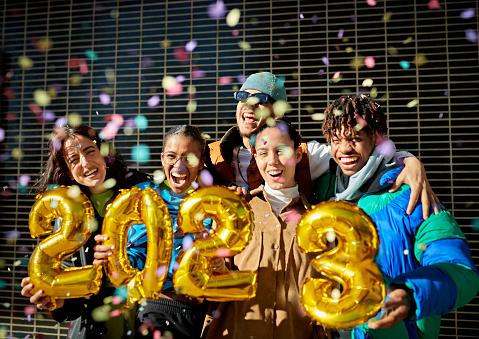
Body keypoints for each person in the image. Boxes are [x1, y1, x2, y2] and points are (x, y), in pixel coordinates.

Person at [315, 95, 479, 338]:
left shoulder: (412, 196)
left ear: (376, 138)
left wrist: (410, 292)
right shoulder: (321, 190)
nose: (344, 149)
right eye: (336, 140)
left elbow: (460, 270)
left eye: (355, 139)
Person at [207, 71, 441, 219]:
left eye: (260, 101)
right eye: (242, 97)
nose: (249, 105)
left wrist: (408, 160)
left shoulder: (306, 155)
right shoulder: (211, 155)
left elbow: (357, 149)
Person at [20, 124, 151, 338]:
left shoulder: (142, 188)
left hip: (147, 319)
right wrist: (56, 299)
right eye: (73, 159)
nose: (85, 162)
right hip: (94, 328)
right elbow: (75, 301)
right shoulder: (66, 215)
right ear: (69, 172)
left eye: (90, 151)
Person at [203, 120, 329, 339]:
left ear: (298, 154)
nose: (273, 161)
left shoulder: (321, 224)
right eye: (263, 153)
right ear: (255, 157)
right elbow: (212, 286)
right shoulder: (233, 213)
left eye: (281, 151)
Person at [94, 125, 221, 339]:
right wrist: (109, 255)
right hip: (154, 311)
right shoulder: (143, 197)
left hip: (206, 316)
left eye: (188, 158)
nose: (179, 166)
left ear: (201, 162)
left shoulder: (217, 202)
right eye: (172, 156)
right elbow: (131, 258)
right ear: (163, 158)